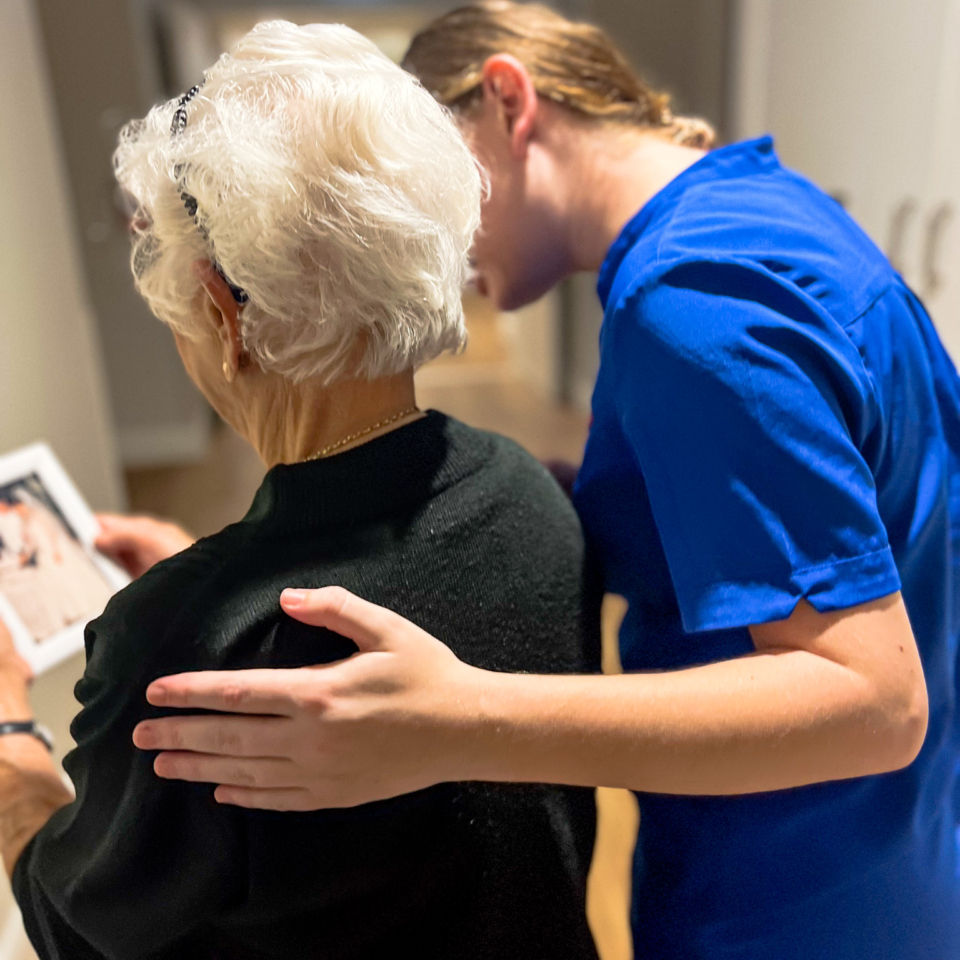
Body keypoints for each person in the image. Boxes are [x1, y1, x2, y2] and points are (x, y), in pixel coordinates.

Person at [112, 3, 960, 959]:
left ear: (509, 101)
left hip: (793, 908)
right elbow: (769, 516)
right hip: (905, 856)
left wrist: (455, 721)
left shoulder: (693, 307)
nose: (427, 227)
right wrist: (244, 589)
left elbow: (873, 703)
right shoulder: (762, 213)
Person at [0, 21, 603, 960]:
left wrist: (11, 734)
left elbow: (74, 926)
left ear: (221, 313)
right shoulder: (529, 492)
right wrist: (201, 586)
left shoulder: (186, 657)